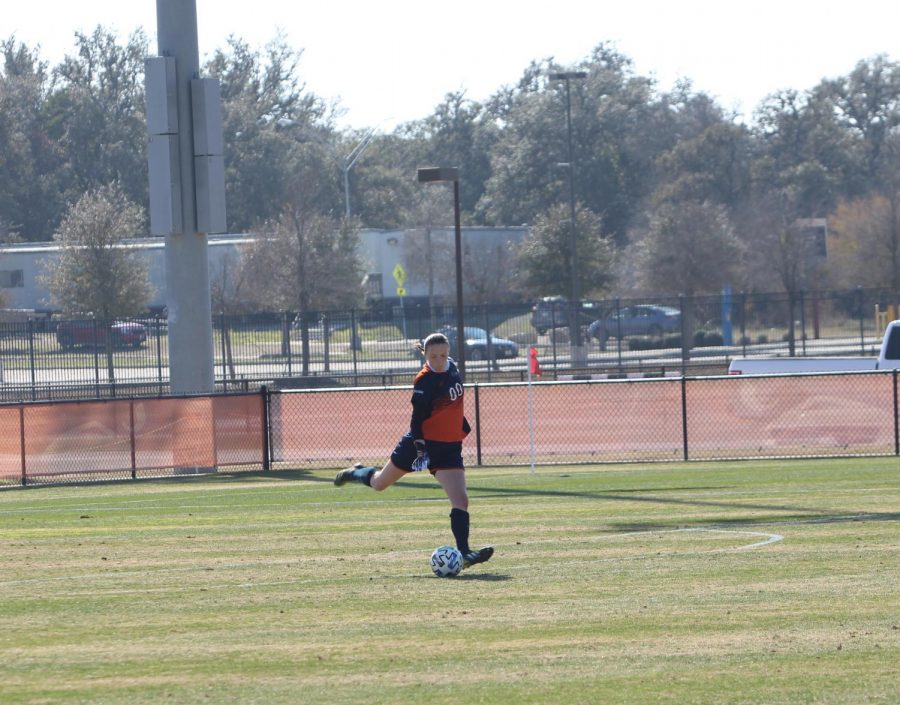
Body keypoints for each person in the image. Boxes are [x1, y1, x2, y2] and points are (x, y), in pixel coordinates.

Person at [334, 331, 494, 569]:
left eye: (443, 355)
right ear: (426, 356)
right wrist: (419, 448)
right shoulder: (425, 380)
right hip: (420, 443)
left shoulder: (452, 367)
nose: (439, 360)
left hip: (448, 447)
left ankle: (464, 553)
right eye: (433, 356)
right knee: (379, 483)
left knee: (461, 499)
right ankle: (356, 472)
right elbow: (416, 420)